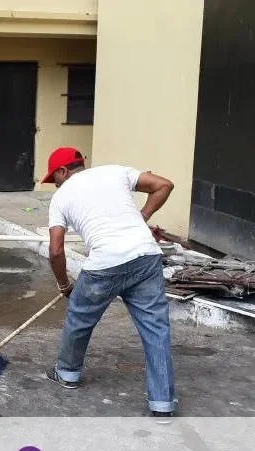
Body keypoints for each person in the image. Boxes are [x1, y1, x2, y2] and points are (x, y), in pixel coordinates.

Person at [41, 146, 177, 420]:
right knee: (156, 330)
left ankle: (67, 373)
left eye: (53, 177)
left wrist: (64, 285)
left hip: (105, 264)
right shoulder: (116, 172)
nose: (53, 184)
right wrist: (143, 216)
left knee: (79, 320)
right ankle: (162, 404)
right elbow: (164, 185)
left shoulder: (61, 197)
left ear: (63, 171)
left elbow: (56, 251)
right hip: (145, 258)